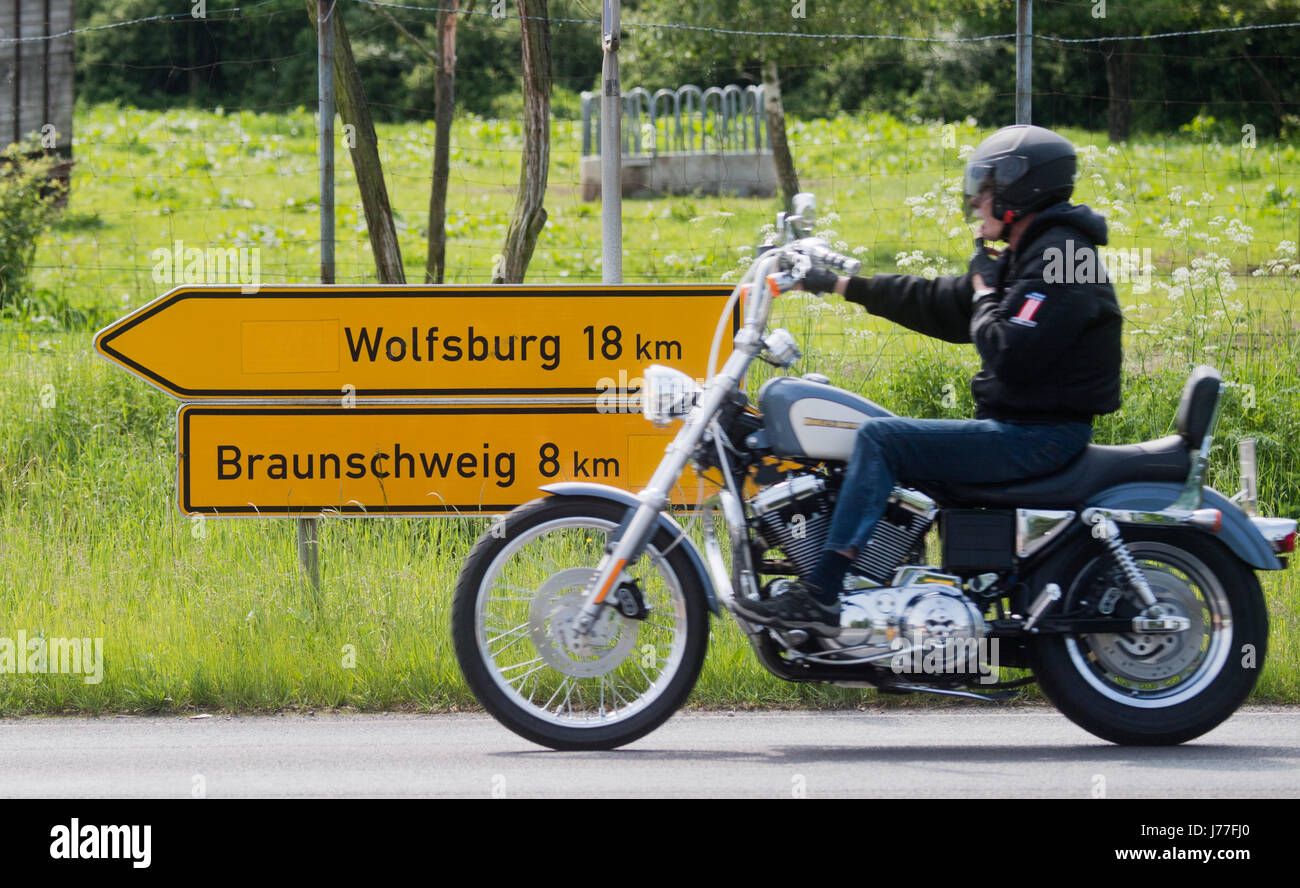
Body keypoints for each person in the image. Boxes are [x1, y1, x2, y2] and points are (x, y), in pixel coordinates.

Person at [733, 124, 1123, 635]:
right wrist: (839, 284)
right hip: (1020, 429)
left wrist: (985, 297)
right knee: (877, 436)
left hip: (1039, 436)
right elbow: (939, 303)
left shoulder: (1064, 254)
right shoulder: (1031, 253)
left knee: (880, 439)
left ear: (1018, 188)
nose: (977, 200)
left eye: (985, 188)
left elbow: (1008, 347)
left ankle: (823, 592)